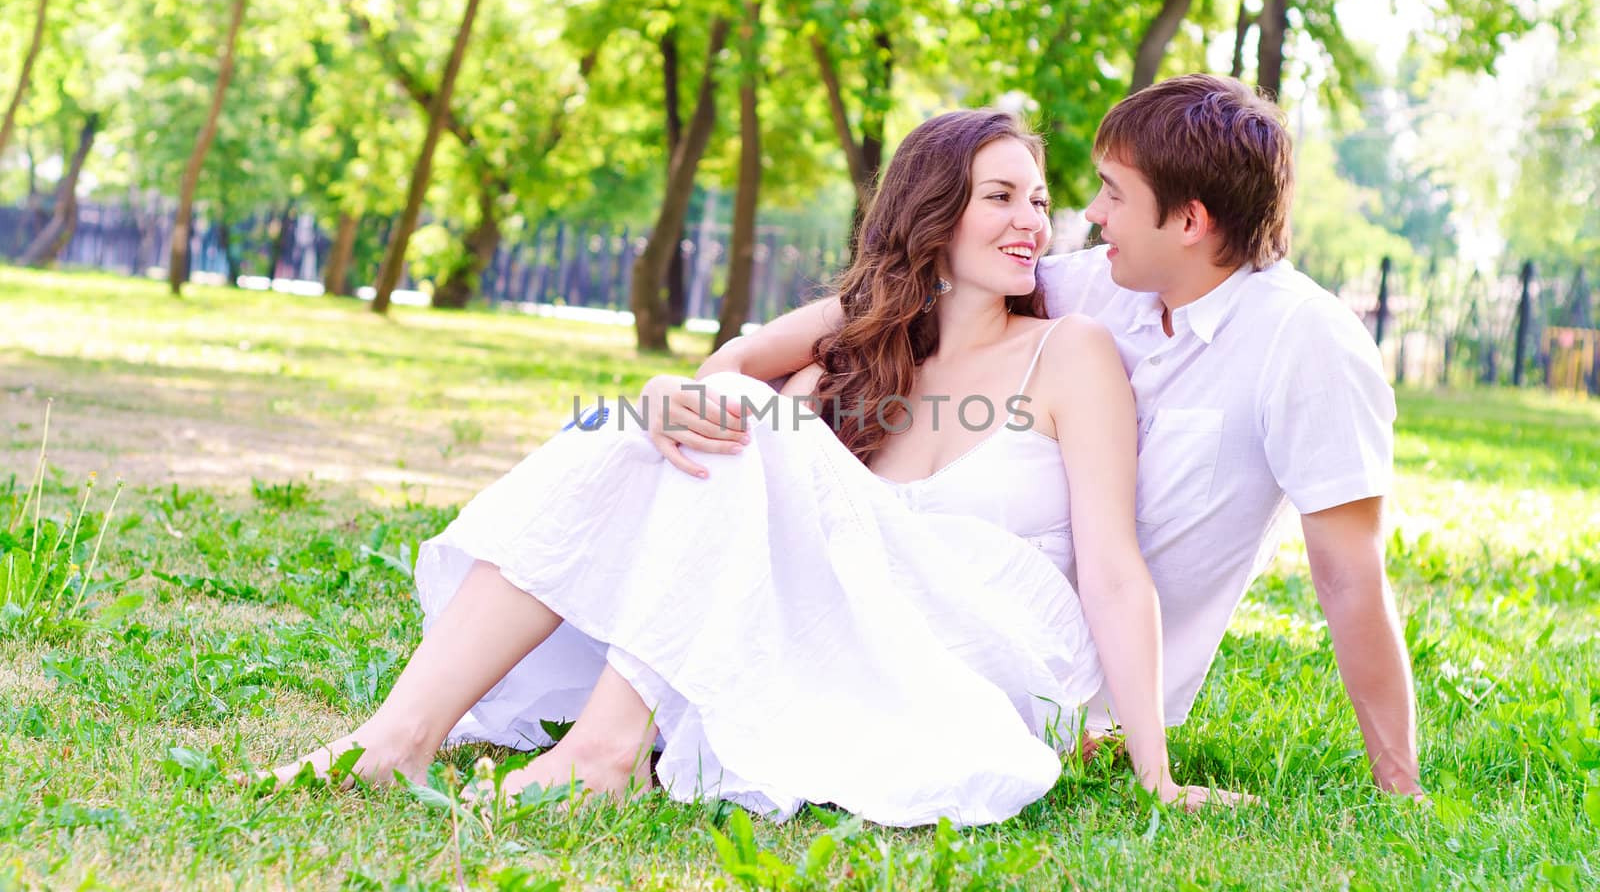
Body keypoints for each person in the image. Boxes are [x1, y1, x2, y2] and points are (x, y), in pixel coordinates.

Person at [257, 109, 1249, 824]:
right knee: (664, 422)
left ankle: (603, 748)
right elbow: (721, 376)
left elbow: (1115, 568)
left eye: (1040, 199)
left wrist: (1150, 762)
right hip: (867, 604)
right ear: (934, 212)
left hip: (991, 633)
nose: (1033, 219)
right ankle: (395, 737)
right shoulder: (865, 348)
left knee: (730, 412)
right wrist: (656, 401)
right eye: (1000, 196)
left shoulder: (1068, 353)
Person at [665, 73, 1422, 797]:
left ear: (1190, 221)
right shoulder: (1098, 284)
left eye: (1114, 194)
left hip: (1061, 675)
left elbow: (1350, 576)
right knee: (783, 403)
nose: (1090, 215)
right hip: (952, 607)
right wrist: (707, 374)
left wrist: (1400, 788)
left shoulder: (1308, 343)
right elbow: (909, 296)